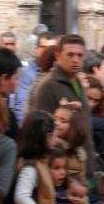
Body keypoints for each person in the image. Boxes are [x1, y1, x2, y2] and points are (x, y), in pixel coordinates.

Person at [33, 34, 95, 177]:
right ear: (58, 55)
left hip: (84, 167)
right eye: (70, 55)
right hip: (65, 174)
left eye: (80, 55)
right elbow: (42, 134)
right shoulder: (48, 86)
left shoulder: (78, 81)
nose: (75, 60)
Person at [14, 31, 56, 124]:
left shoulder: (58, 73)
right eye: (44, 47)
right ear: (36, 50)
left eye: (51, 48)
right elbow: (21, 106)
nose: (47, 52)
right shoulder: (27, 73)